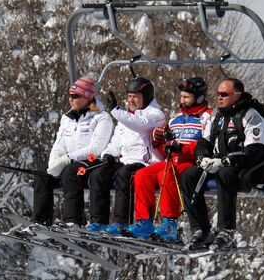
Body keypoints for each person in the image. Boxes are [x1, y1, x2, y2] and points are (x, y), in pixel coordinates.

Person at [179, 77, 264, 251]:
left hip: (243, 168)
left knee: (225, 173)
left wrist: (227, 161)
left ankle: (226, 230)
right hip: (217, 164)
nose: (219, 98)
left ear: (236, 95)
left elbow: (255, 149)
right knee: (188, 175)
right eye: (218, 94)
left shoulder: (251, 116)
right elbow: (204, 141)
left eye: (224, 94)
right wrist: (202, 158)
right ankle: (201, 228)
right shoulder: (217, 116)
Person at [128, 77, 213, 240]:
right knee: (142, 175)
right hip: (171, 161)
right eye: (181, 96)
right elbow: (165, 149)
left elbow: (207, 143)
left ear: (199, 97)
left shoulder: (207, 117)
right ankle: (144, 222)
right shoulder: (176, 118)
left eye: (187, 97)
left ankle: (170, 223)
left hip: (190, 162)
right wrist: (159, 141)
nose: (182, 100)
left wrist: (183, 149)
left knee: (166, 175)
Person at [84, 77, 166, 234]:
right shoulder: (124, 118)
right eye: (129, 96)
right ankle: (98, 222)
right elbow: (116, 142)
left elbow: (139, 123)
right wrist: (108, 154)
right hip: (124, 161)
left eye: (135, 96)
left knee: (124, 175)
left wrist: (116, 111)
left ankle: (122, 222)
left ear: (146, 97)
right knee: (98, 174)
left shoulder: (155, 114)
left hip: (144, 163)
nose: (131, 100)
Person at [33, 77, 113, 226]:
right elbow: (60, 143)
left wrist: (67, 159)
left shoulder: (102, 118)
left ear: (88, 97)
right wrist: (55, 158)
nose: (71, 99)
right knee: (42, 174)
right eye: (70, 95)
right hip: (71, 160)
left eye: (76, 96)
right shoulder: (67, 118)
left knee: (71, 172)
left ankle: (74, 221)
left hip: (91, 161)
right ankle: (41, 221)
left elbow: (96, 148)